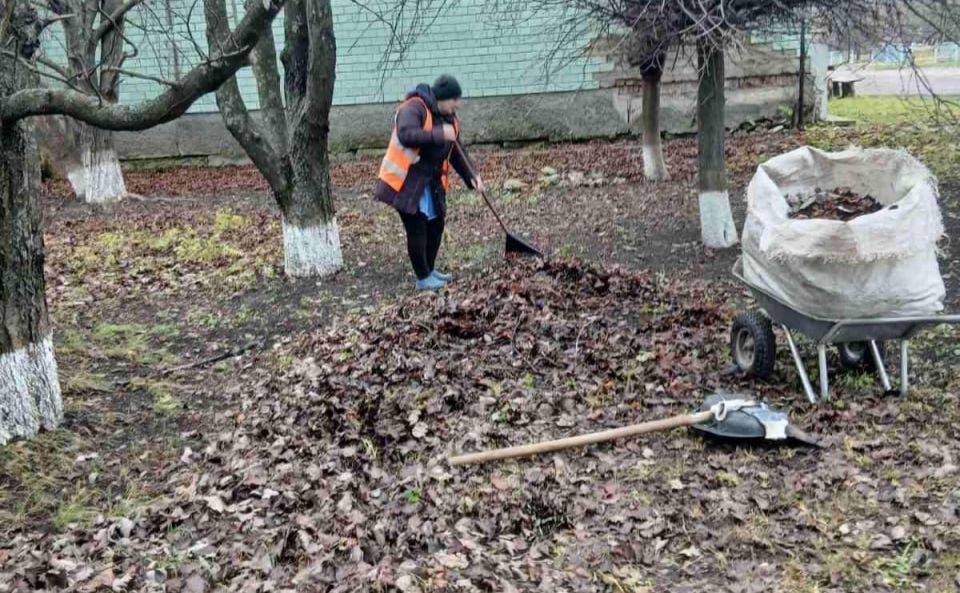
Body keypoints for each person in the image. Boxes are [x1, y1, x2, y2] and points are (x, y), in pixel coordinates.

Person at [375, 75, 485, 291]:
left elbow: (457, 152)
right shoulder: (414, 107)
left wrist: (473, 176)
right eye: (454, 99)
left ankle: (430, 270)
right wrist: (439, 133)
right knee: (417, 228)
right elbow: (406, 134)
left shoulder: (449, 118)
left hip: (430, 182)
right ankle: (423, 277)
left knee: (436, 226)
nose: (457, 104)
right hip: (405, 182)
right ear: (442, 97)